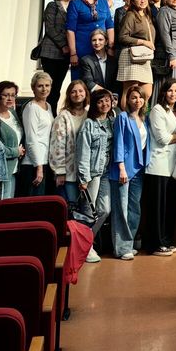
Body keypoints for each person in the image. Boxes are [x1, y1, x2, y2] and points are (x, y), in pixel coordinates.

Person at [109, 84, 152, 260]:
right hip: (123, 169)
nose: (137, 100)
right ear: (127, 100)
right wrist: (121, 167)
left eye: (140, 97)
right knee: (121, 210)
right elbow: (118, 143)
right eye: (133, 97)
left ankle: (130, 243)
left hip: (138, 169)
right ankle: (121, 248)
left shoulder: (144, 119)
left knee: (134, 208)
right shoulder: (122, 117)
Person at [144, 79, 176, 256]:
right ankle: (155, 244)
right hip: (159, 165)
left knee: (169, 207)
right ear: (163, 92)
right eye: (170, 90)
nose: (173, 94)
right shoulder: (157, 110)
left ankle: (166, 240)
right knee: (157, 208)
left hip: (173, 165)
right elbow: (163, 139)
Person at [78, 88, 115, 263]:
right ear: (94, 104)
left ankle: (86, 242)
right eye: (100, 101)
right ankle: (85, 248)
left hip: (106, 172)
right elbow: (83, 151)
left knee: (105, 210)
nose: (104, 104)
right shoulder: (89, 124)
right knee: (88, 212)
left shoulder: (112, 122)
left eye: (107, 100)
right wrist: (84, 177)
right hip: (92, 173)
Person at [66, 0, 115, 92]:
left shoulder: (103, 1)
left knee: (102, 80)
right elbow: (70, 30)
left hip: (102, 47)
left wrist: (111, 46)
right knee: (81, 84)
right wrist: (73, 53)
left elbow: (109, 24)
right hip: (82, 48)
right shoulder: (75, 3)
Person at [50, 79, 89, 204]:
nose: (77, 94)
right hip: (68, 173)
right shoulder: (63, 116)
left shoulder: (89, 115)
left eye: (80, 91)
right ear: (69, 95)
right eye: (73, 92)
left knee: (86, 208)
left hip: (85, 174)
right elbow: (57, 145)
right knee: (71, 206)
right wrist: (60, 171)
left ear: (86, 93)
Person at [38, 0, 75, 108]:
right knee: (49, 86)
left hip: (65, 55)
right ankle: (45, 111)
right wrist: (63, 45)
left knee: (57, 87)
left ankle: (52, 112)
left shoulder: (73, 8)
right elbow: (50, 29)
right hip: (51, 51)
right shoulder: (53, 5)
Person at [118, 0, 156, 104]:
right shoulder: (130, 15)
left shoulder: (147, 16)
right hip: (131, 56)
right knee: (130, 92)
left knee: (147, 93)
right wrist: (143, 42)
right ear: (133, 1)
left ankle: (140, 115)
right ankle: (126, 115)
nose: (142, 1)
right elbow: (122, 37)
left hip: (144, 57)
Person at [21, 71, 54, 196]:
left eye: (47, 85)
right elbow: (31, 138)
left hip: (44, 161)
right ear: (33, 88)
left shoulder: (48, 106)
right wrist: (38, 167)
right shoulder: (31, 108)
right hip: (33, 164)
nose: (44, 89)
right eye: (40, 86)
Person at [0, 81, 25, 198]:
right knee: (1, 202)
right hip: (1, 170)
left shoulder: (12, 113)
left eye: (13, 95)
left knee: (9, 202)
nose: (10, 98)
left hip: (14, 168)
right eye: (6, 95)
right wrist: (16, 152)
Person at [80, 28, 118, 96]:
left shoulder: (114, 61)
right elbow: (88, 82)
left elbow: (116, 83)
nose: (97, 43)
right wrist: (107, 94)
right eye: (94, 40)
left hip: (112, 98)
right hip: (95, 97)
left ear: (106, 42)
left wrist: (114, 96)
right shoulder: (86, 60)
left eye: (100, 39)